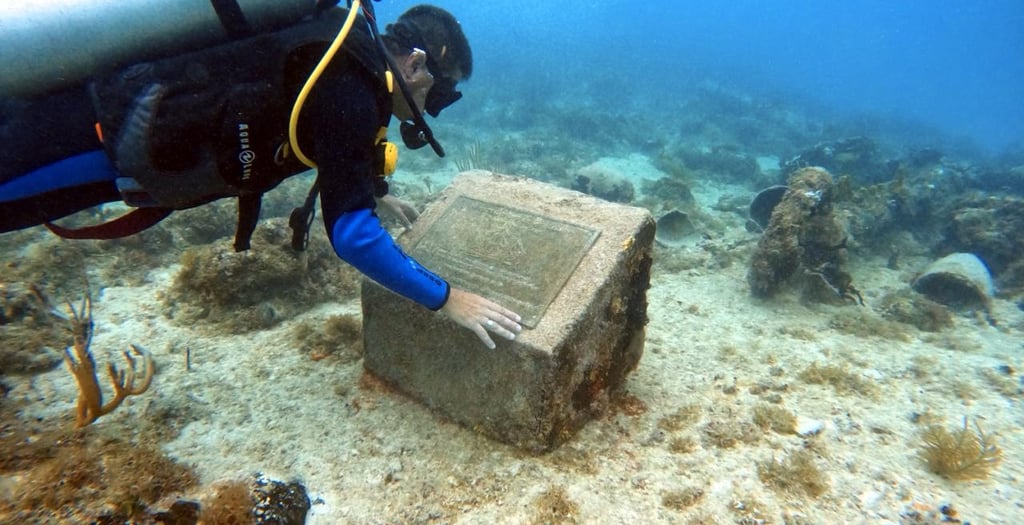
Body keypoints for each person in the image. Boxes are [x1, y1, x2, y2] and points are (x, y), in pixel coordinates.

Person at [0, 4, 522, 349]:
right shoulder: (352, 89)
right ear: (416, 66)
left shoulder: (342, 53)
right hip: (92, 138)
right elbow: (354, 238)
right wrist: (448, 298)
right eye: (445, 94)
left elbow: (313, 125)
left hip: (108, 133)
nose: (436, 111)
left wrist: (371, 192)